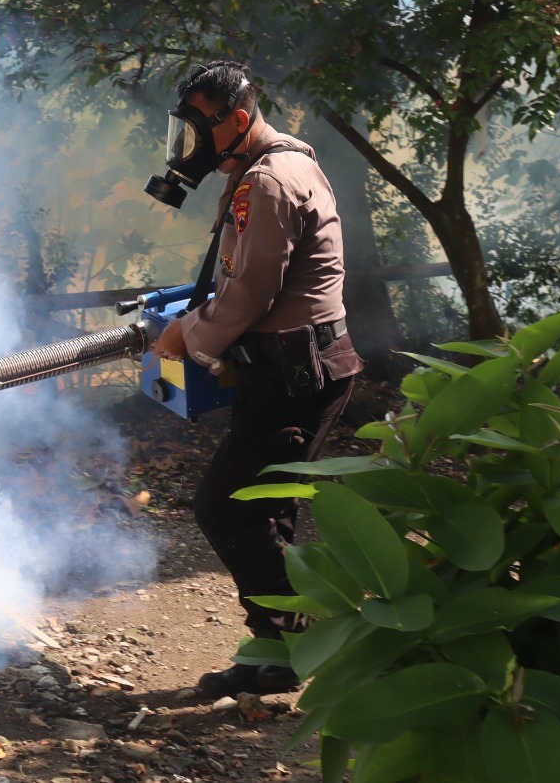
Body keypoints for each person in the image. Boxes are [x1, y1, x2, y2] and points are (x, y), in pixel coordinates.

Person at [148, 60, 364, 700]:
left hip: (297, 373)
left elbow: (251, 294)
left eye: (198, 128)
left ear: (237, 121)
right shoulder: (276, 166)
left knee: (226, 507)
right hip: (293, 368)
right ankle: (277, 655)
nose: (189, 146)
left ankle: (293, 647)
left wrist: (186, 333)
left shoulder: (267, 181)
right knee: (266, 509)